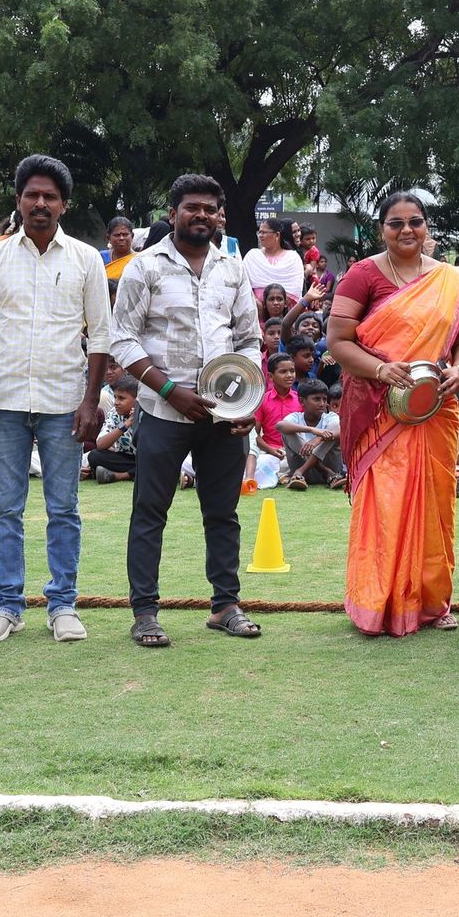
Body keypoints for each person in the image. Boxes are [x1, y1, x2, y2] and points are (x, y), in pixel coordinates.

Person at [0, 154, 110, 644]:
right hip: (5, 401)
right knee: (6, 509)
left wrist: (90, 401)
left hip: (65, 401)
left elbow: (101, 336)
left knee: (63, 508)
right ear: (19, 201)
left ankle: (63, 604)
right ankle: (7, 605)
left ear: (64, 204)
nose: (40, 203)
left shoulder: (86, 259)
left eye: (50, 196)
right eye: (32, 195)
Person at [110, 174, 263, 647]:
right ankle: (145, 613)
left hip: (223, 414)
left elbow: (249, 340)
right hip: (162, 410)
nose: (202, 215)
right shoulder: (145, 266)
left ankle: (225, 606)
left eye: (210, 209)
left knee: (223, 513)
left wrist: (247, 401)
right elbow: (123, 339)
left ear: (220, 216)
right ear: (173, 213)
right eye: (192, 207)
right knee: (149, 512)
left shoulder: (232, 268)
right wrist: (169, 390)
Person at [329, 190, 459, 637]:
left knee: (435, 505)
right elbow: (338, 341)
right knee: (384, 504)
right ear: (382, 230)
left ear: (427, 227)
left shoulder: (448, 279)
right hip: (380, 408)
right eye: (396, 223)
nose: (407, 230)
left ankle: (432, 601)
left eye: (415, 221)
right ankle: (376, 603)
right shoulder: (362, 275)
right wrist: (380, 369)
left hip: (435, 407)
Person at [279, 378, 346, 490]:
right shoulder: (296, 417)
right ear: (302, 401)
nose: (322, 404)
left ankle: (301, 471)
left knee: (333, 431)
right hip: (309, 476)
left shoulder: (330, 417)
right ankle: (326, 471)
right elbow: (280, 426)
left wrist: (319, 438)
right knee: (288, 431)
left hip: (327, 470)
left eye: (324, 399)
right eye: (316, 399)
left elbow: (341, 429)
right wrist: (311, 430)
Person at [87, 377, 140, 485]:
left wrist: (137, 420)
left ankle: (120, 475)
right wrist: (126, 424)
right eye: (115, 397)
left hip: (146, 458)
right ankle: (135, 473)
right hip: (127, 459)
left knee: (157, 462)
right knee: (94, 456)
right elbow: (100, 445)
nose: (116, 402)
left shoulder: (146, 415)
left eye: (121, 398)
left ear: (137, 400)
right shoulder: (114, 414)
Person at [243, 216, 305, 305]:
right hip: (255, 308)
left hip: (286, 310)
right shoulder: (252, 256)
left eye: (264, 232)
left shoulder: (293, 258)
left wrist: (276, 306)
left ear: (277, 235)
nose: (260, 235)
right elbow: (244, 284)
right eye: (259, 232)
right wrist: (256, 302)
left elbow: (295, 289)